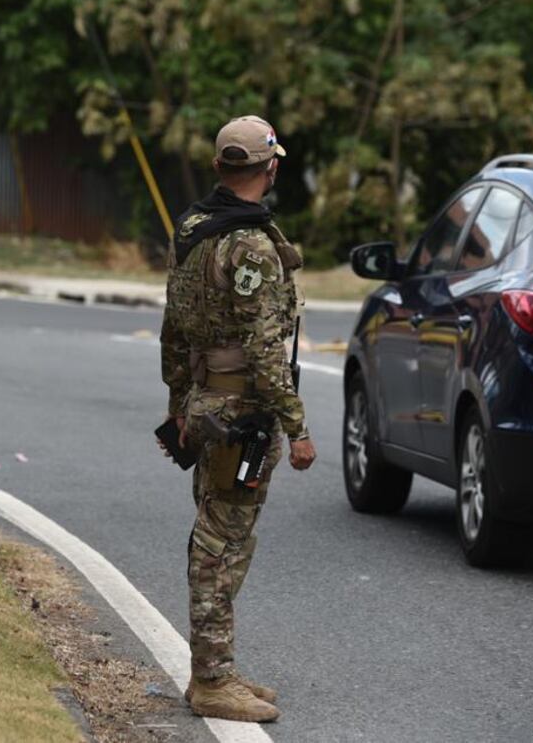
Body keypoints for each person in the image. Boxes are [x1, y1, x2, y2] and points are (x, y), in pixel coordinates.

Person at [159, 115, 317, 723]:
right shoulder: (250, 245)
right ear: (270, 168)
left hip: (204, 406)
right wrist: (297, 427)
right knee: (220, 546)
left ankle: (217, 666)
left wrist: (179, 402)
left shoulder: (193, 229)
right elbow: (264, 348)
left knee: (220, 537)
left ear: (220, 168)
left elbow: (174, 329)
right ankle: (211, 681)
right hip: (240, 415)